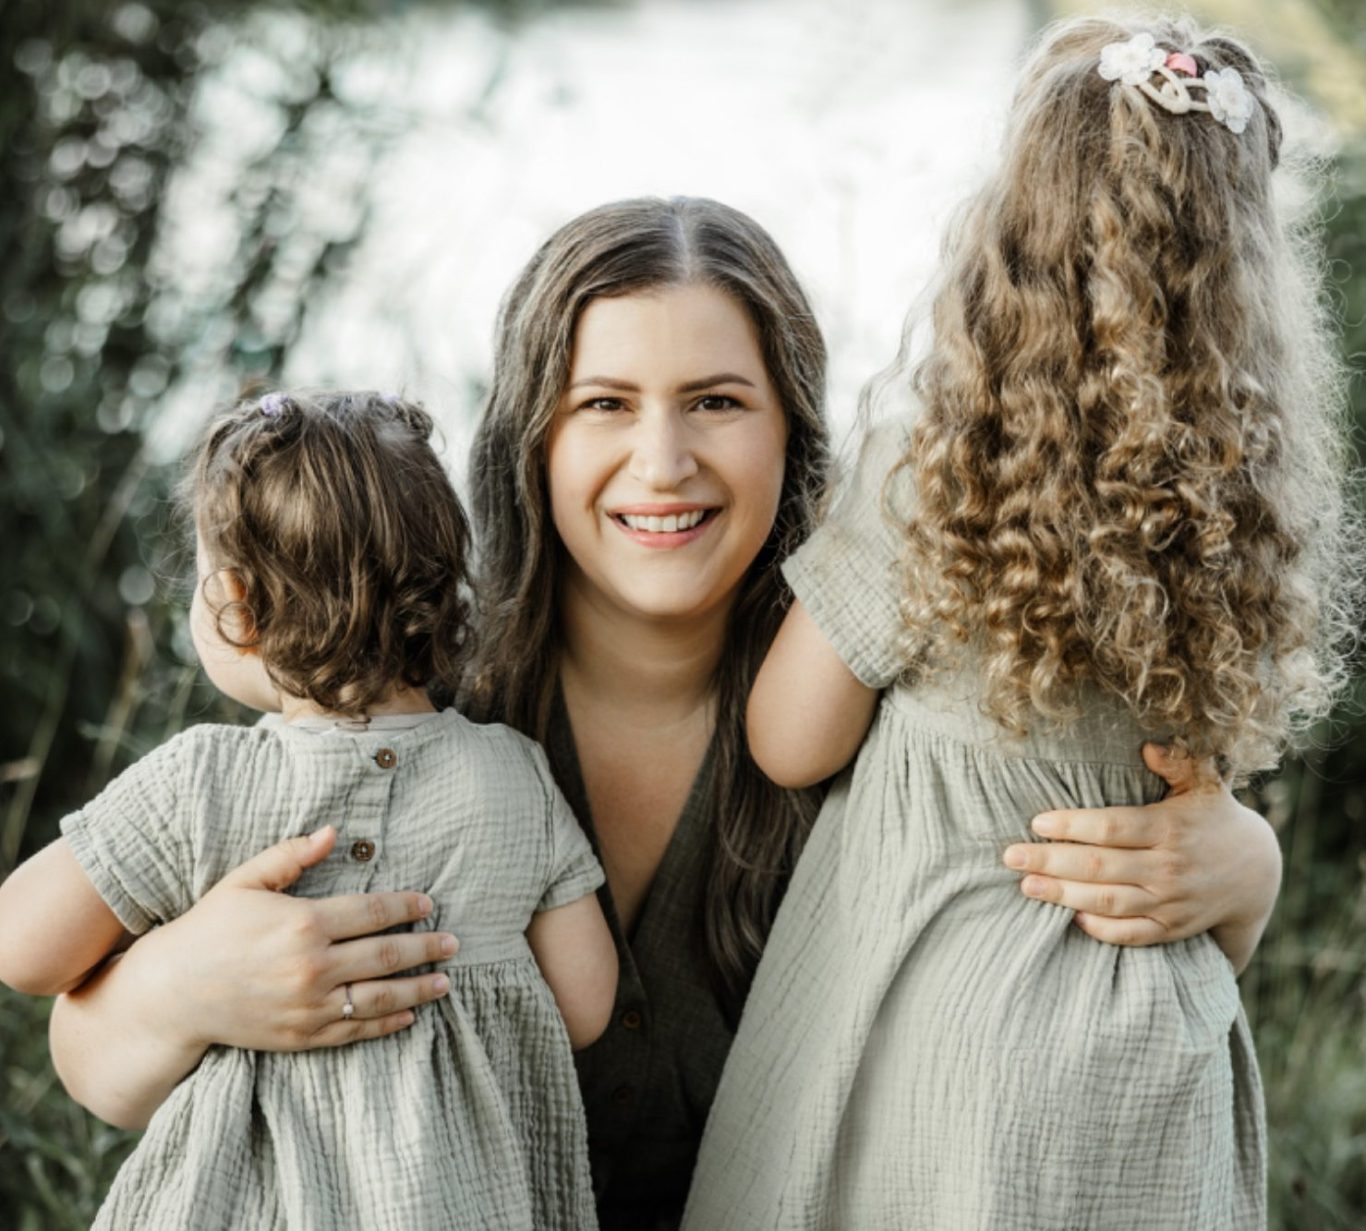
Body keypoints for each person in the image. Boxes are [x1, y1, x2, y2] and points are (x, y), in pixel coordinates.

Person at [46, 201, 1284, 1231]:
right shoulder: (408, 718)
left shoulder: (905, 730)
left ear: (795, 434)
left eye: (717, 402)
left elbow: (1083, 976)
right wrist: (181, 989)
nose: (663, 461)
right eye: (603, 405)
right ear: (528, 438)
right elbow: (95, 1065)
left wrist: (1243, 873)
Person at [683, 18, 1357, 1231]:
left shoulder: (935, 474)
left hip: (935, 1035)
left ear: (1008, 234)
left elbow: (788, 739)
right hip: (1144, 1052)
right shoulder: (1240, 514)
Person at [0, 390, 617, 1230]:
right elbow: (584, 1002)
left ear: (238, 606)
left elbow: (22, 946)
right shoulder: (513, 772)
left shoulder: (203, 780)